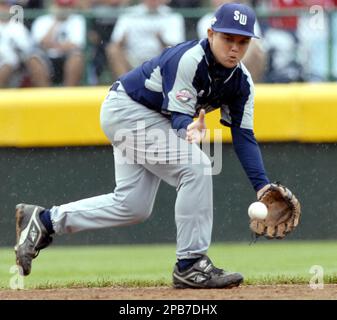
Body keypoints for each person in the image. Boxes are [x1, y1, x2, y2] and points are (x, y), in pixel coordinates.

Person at [15, 3, 271, 289]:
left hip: (148, 118)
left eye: (243, 41)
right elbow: (178, 117)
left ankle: (45, 221)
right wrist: (186, 127)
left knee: (133, 205)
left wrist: (262, 187)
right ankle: (191, 264)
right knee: (196, 167)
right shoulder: (190, 58)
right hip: (128, 110)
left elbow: (244, 137)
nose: (234, 48)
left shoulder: (242, 82)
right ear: (211, 34)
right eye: (228, 38)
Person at [106, 0, 185, 79]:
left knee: (174, 54)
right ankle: (123, 85)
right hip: (132, 59)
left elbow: (177, 48)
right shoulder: (128, 14)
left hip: (159, 60)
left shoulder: (173, 16)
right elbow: (116, 42)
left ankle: (167, 85)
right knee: (113, 49)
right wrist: (122, 42)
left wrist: (161, 40)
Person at [197, 0, 266, 82]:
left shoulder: (244, 16)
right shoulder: (206, 20)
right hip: (216, 67)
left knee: (256, 51)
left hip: (243, 63)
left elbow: (255, 46)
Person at [31, 0, 86, 86]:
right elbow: (41, 43)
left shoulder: (77, 20)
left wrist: (53, 45)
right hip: (47, 57)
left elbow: (76, 44)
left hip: (67, 57)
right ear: (53, 6)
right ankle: (44, 97)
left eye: (66, 6)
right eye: (60, 6)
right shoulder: (42, 20)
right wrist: (56, 23)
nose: (63, 9)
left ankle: (68, 96)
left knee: (77, 58)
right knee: (34, 60)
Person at [0, 0, 49, 87]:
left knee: (34, 61)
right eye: (1, 6)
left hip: (18, 63)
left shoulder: (17, 26)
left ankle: (46, 97)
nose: (3, 9)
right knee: (7, 63)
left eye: (6, 6)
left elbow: (27, 49)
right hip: (4, 61)